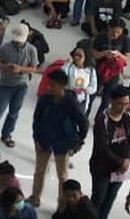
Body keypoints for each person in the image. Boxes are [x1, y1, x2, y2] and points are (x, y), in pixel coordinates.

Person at [30, 70, 89, 207]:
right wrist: (36, 139)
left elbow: (83, 122)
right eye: (48, 84)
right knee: (39, 171)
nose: (49, 88)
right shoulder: (44, 99)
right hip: (44, 141)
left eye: (53, 85)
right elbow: (36, 121)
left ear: (62, 86)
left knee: (62, 176)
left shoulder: (70, 102)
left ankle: (62, 204)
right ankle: (35, 197)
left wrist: (79, 141)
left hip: (62, 144)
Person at [0, 23, 39, 148]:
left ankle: (7, 134)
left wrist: (20, 69)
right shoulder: (5, 47)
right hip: (5, 84)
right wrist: (7, 67)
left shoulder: (31, 50)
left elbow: (33, 68)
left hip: (21, 86)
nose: (18, 42)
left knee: (14, 112)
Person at [90, 87, 130, 219]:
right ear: (112, 101)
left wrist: (127, 160)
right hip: (102, 167)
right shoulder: (102, 119)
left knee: (109, 200)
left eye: (126, 104)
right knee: (99, 198)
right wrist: (120, 162)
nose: (123, 107)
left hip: (121, 168)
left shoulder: (128, 116)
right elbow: (102, 147)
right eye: (120, 103)